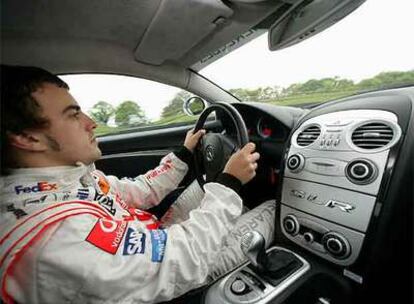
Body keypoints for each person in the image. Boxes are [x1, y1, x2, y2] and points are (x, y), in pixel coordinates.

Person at [0, 65, 275, 303]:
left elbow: (140, 191)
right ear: (27, 138)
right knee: (276, 208)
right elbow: (183, 262)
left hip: (153, 241)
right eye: (73, 115)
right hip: (178, 277)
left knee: (211, 187)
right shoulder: (57, 240)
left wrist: (184, 154)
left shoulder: (70, 181)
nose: (91, 123)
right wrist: (228, 184)